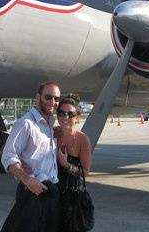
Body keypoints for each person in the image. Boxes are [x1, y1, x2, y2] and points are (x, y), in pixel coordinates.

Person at [0, 82, 61, 232]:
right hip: (33, 191)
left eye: (56, 99)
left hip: (51, 191)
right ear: (38, 97)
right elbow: (7, 156)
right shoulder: (26, 124)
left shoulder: (50, 125)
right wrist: (28, 180)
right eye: (48, 97)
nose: (52, 102)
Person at [55, 95, 93, 232]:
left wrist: (66, 164)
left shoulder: (82, 139)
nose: (65, 117)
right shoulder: (52, 132)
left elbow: (86, 172)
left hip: (71, 197)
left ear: (77, 117)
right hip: (53, 193)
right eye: (61, 113)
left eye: (70, 114)